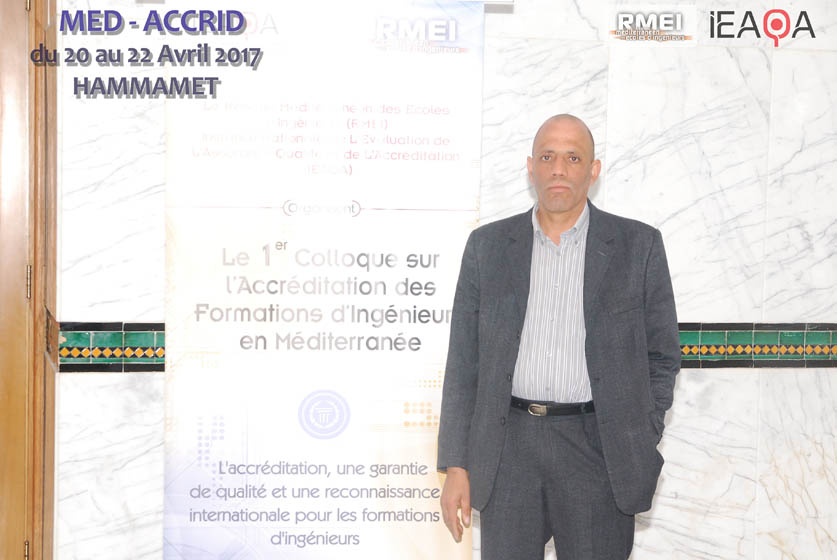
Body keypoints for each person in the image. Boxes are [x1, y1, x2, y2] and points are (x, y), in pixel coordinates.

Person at [437, 114, 680, 559]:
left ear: (594, 170)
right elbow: (463, 362)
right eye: (547, 157)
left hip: (598, 450)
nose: (559, 169)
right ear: (530, 167)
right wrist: (456, 464)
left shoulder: (638, 246)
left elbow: (662, 355)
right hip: (508, 450)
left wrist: (640, 430)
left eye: (573, 158)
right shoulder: (488, 247)